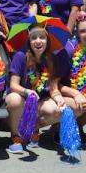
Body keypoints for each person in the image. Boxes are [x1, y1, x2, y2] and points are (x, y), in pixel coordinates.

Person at [5, 24, 71, 154]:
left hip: (38, 101)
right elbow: (13, 85)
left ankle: (33, 129)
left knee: (58, 109)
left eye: (42, 37)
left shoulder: (50, 59)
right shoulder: (20, 56)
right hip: (20, 101)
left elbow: (53, 88)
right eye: (34, 38)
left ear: (47, 40)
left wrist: (58, 99)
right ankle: (16, 137)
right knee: (14, 99)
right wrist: (27, 91)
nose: (38, 41)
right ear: (29, 41)